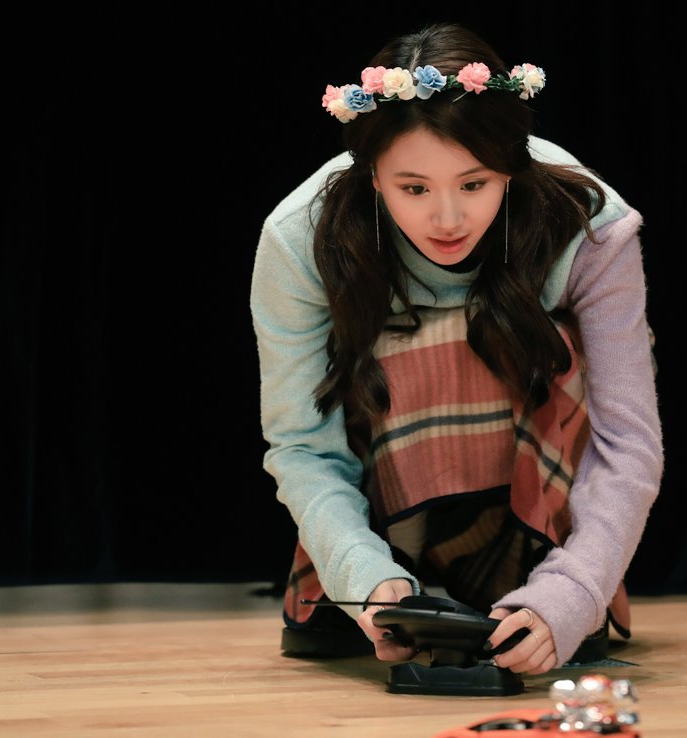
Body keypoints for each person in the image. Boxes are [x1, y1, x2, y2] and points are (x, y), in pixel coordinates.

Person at [250, 23, 663, 676]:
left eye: (475, 184)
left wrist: (574, 592)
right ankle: (378, 582)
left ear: (512, 167)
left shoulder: (590, 227)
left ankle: (536, 580)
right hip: (379, 514)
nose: (448, 219)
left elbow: (628, 441)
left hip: (541, 515)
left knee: (537, 343)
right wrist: (364, 578)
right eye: (414, 188)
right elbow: (301, 443)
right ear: (372, 176)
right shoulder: (300, 239)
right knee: (400, 349)